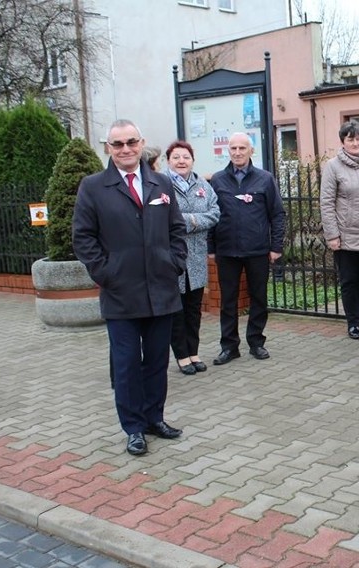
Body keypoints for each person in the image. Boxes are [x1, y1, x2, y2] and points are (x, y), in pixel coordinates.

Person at [72, 119, 187, 456]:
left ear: (141, 143)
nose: (125, 149)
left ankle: (154, 418)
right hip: (121, 293)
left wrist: (173, 262)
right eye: (117, 144)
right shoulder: (93, 187)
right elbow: (83, 238)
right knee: (125, 365)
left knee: (156, 362)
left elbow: (177, 230)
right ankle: (134, 428)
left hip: (161, 291)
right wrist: (107, 273)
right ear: (108, 148)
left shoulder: (161, 183)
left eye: (131, 142)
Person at [209, 132, 286, 364]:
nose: (237, 152)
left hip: (257, 250)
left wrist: (276, 246)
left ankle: (256, 342)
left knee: (259, 298)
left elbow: (277, 214)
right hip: (227, 251)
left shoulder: (265, 179)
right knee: (228, 302)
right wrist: (211, 247)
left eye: (242, 148)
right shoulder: (218, 180)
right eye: (233, 148)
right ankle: (229, 346)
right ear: (228, 151)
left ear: (251, 151)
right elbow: (211, 215)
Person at [320, 120, 359, 340]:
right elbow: (326, 203)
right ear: (343, 142)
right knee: (349, 281)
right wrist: (332, 235)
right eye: (350, 139)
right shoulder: (332, 166)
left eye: (358, 138)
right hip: (345, 236)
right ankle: (353, 323)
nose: (355, 142)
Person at [164, 140, 220, 375]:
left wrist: (188, 221)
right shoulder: (160, 184)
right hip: (171, 256)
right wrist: (195, 219)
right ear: (168, 161)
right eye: (176, 157)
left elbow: (215, 213)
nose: (181, 161)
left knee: (193, 309)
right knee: (175, 311)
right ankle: (181, 355)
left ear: (192, 160)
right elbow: (163, 217)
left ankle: (194, 352)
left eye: (185, 157)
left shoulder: (203, 185)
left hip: (196, 256)